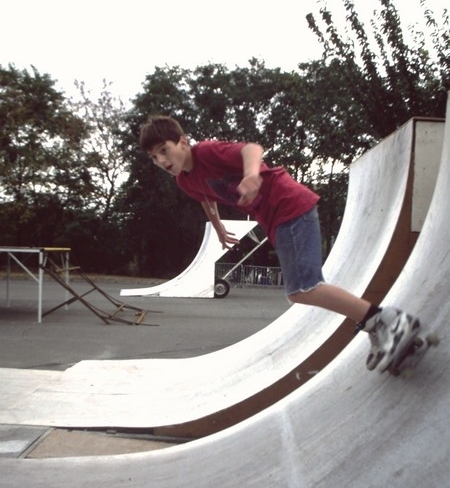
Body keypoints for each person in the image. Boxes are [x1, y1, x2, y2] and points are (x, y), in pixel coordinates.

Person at [139, 114, 420, 372]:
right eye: (154, 157)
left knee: (304, 288)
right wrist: (219, 227)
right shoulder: (185, 182)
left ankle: (388, 321)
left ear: (183, 142)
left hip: (289, 205)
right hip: (275, 220)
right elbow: (206, 199)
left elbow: (251, 149)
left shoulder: (206, 152)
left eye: (164, 150)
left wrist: (251, 175)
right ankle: (377, 323)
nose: (161, 160)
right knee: (302, 290)